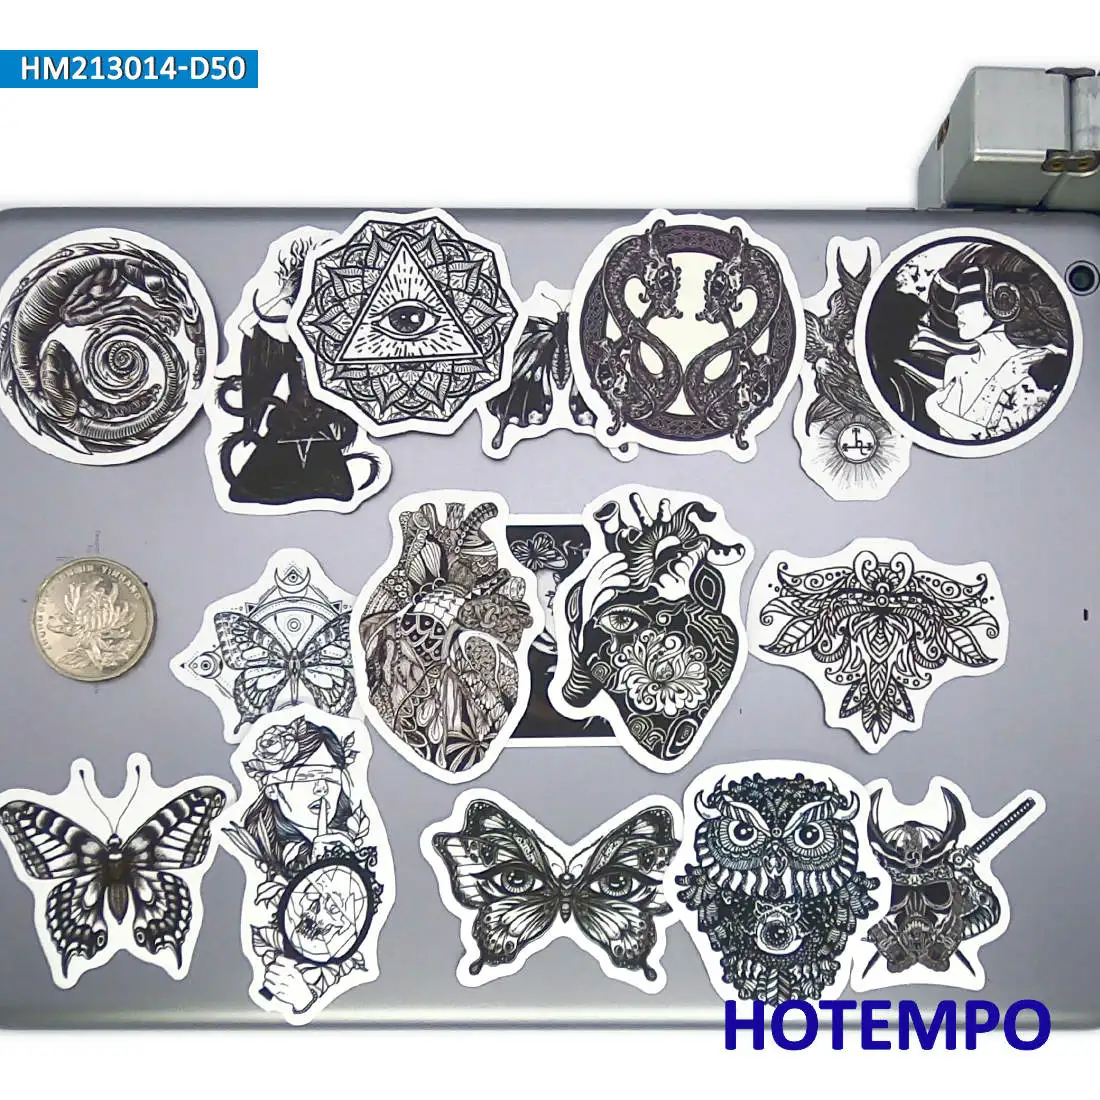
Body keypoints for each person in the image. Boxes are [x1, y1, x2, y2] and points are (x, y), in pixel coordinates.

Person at [917, 244, 1070, 441]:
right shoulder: (956, 366)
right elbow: (956, 446)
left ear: (999, 300)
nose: (957, 310)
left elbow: (989, 441)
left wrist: (934, 409)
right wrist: (933, 409)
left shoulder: (1038, 366)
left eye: (966, 299)